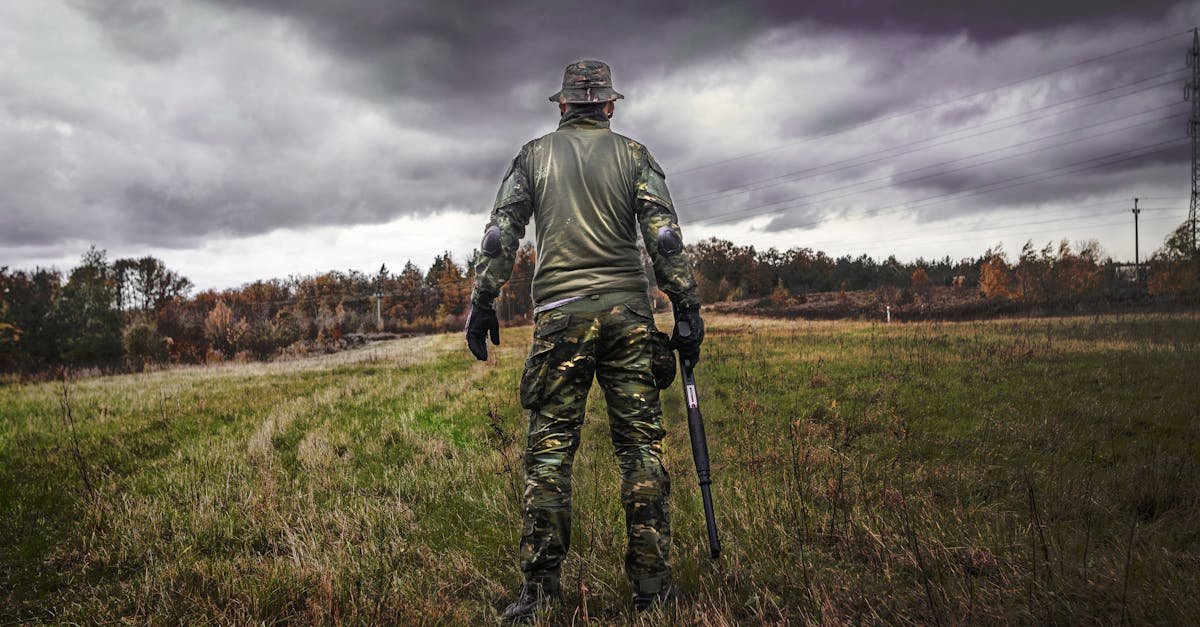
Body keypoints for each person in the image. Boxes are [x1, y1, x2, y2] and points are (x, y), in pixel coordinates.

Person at [464, 59, 704, 621]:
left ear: (564, 105)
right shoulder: (635, 155)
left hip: (560, 319)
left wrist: (482, 301)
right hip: (629, 317)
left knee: (549, 455)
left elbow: (501, 235)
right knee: (640, 449)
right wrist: (686, 305)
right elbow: (663, 236)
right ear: (610, 106)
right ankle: (652, 587)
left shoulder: (534, 156)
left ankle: (540, 595)